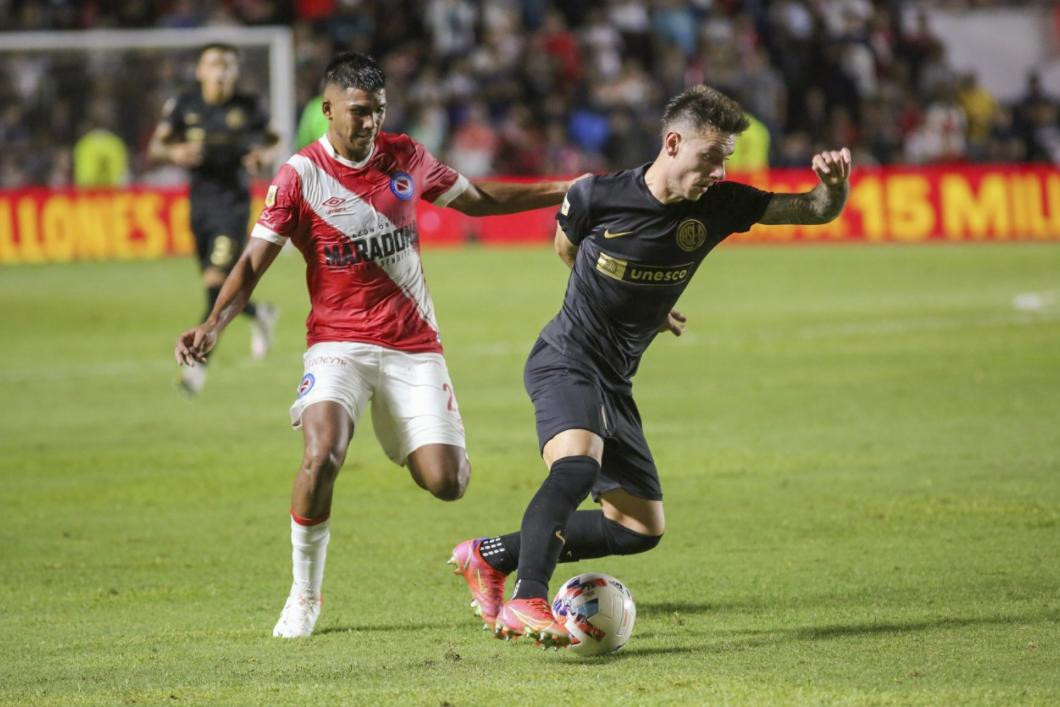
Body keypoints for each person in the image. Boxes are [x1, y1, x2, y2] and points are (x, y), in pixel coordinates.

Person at [173, 52, 581, 638]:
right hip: (336, 345)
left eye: (378, 111)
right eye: (358, 112)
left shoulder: (405, 156)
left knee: (448, 482)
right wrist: (213, 323)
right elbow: (253, 261)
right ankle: (304, 595)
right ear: (328, 109)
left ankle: (414, 450)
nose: (368, 123)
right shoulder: (300, 176)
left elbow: (478, 200)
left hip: (413, 347)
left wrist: (563, 190)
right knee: (321, 455)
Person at [450, 84, 852, 647]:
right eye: (710, 156)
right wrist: (616, 297)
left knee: (639, 527)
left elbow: (813, 210)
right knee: (576, 467)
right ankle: (527, 598)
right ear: (672, 142)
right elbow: (567, 250)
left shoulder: (720, 205)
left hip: (615, 377)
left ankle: (489, 556)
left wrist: (834, 188)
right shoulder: (597, 195)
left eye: (726, 158)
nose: (719, 169)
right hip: (566, 357)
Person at [150, 42, 280, 394]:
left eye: (227, 64)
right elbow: (156, 146)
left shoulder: (248, 106)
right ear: (200, 72)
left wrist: (262, 156)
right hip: (199, 206)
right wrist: (175, 150)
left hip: (232, 205)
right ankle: (259, 313)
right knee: (215, 284)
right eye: (214, 64)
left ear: (235, 73)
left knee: (213, 287)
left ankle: (195, 369)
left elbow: (274, 140)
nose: (221, 70)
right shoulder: (185, 104)